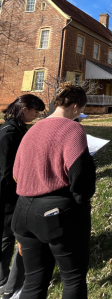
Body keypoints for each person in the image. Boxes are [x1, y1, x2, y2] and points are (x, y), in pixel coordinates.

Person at [12, 82, 96, 298]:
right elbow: (81, 182)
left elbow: (16, 173)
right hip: (56, 213)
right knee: (73, 278)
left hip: (22, 212)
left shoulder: (32, 130)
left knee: (33, 281)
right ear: (75, 106)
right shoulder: (73, 128)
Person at [0, 95, 45, 298]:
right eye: (35, 111)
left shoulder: (18, 129)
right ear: (24, 108)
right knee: (7, 237)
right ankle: (3, 279)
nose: (35, 116)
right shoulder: (8, 133)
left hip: (14, 192)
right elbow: (6, 172)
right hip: (8, 195)